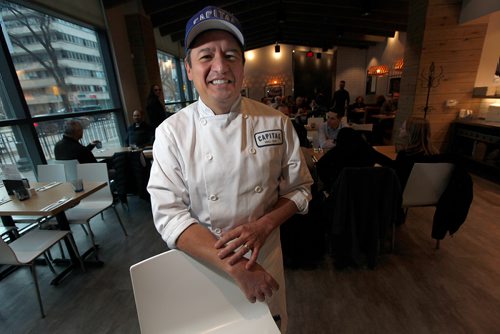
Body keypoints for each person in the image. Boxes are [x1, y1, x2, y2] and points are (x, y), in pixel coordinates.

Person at [147, 6, 313, 333]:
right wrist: (237, 268)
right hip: (203, 265)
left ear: (243, 66)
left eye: (231, 55)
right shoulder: (171, 133)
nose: (220, 66)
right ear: (190, 69)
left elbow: (301, 189)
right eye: (206, 56)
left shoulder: (276, 123)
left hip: (263, 259)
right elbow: (169, 215)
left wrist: (265, 224)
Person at [316, 127, 394, 192]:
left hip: (341, 195)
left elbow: (320, 166)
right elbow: (390, 164)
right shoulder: (367, 150)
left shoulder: (336, 152)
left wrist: (330, 183)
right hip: (366, 193)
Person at [394, 117, 437, 188]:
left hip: (402, 193)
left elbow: (396, 178)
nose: (399, 129)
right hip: (425, 192)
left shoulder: (405, 154)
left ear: (410, 133)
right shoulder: (434, 154)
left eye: (402, 128)